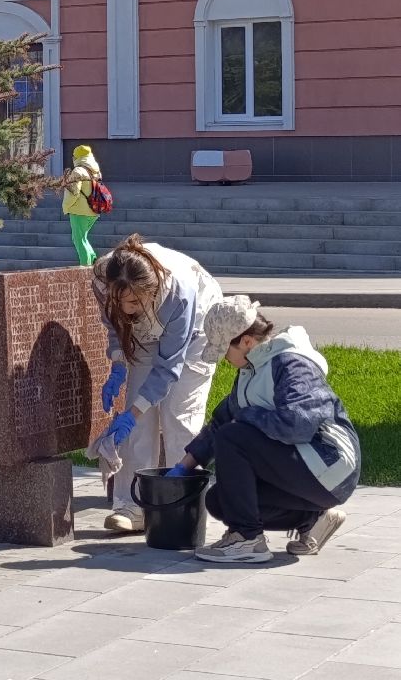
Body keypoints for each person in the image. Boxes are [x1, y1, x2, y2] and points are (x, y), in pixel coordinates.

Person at [174, 296, 360, 565]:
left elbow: (298, 425)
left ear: (247, 341)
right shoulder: (252, 369)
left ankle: (247, 540)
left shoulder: (292, 364)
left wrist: (245, 419)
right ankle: (314, 519)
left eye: (226, 351)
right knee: (220, 500)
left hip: (330, 465)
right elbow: (220, 422)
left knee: (233, 436)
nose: (225, 360)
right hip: (305, 466)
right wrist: (182, 469)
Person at [92, 234, 222, 533]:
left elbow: (168, 367)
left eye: (134, 301)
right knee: (138, 417)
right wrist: (119, 365)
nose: (126, 307)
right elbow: (116, 325)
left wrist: (131, 413)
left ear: (151, 290)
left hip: (196, 329)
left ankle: (182, 505)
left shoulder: (180, 294)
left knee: (179, 416)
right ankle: (132, 505)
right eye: (120, 300)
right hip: (147, 328)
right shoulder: (103, 278)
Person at [62, 144, 102, 266]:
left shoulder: (78, 171)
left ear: (77, 157)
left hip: (79, 211)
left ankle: (85, 267)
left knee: (79, 240)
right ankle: (93, 260)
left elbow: (73, 193)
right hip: (93, 210)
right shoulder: (95, 170)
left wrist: (66, 207)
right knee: (82, 238)